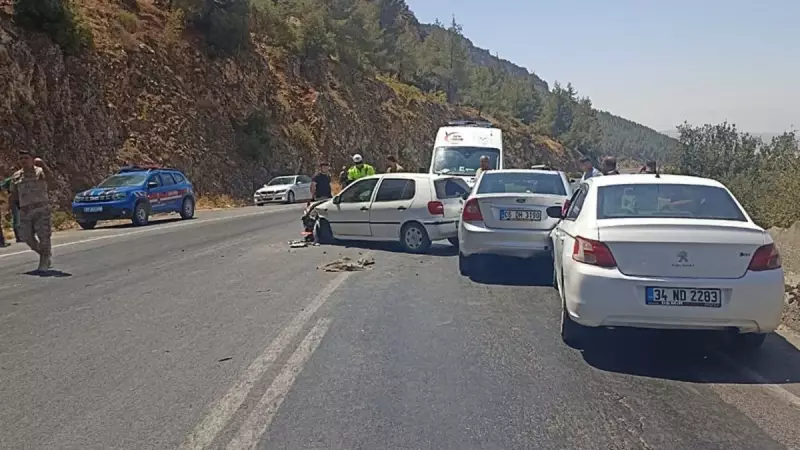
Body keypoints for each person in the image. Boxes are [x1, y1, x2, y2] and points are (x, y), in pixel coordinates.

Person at [9, 151, 54, 271]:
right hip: (25, 210)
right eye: (21, 158)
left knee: (44, 236)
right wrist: (11, 208)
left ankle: (44, 261)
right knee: (25, 236)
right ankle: (44, 254)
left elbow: (52, 182)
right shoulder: (17, 176)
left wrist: (44, 165)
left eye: (26, 158)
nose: (23, 160)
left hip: (41, 209)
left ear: (32, 159)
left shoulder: (40, 172)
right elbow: (13, 194)